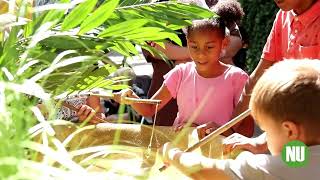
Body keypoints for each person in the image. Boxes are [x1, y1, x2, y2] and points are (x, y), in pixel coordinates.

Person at [162, 59, 320, 179]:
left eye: (266, 131)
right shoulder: (305, 157)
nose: (265, 137)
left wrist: (172, 153)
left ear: (290, 130)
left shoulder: (274, 169)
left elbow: (204, 170)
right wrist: (250, 151)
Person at [114, 16, 249, 136]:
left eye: (209, 47)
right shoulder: (180, 73)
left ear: (224, 43)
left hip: (220, 156)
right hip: (183, 150)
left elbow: (247, 130)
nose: (201, 54)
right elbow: (150, 108)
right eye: (194, 47)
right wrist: (130, 97)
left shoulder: (237, 78)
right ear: (187, 41)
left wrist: (219, 131)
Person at [224, 0, 320, 153]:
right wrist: (227, 131)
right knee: (291, 172)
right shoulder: (283, 16)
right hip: (294, 141)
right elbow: (259, 76)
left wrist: (261, 143)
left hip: (312, 143)